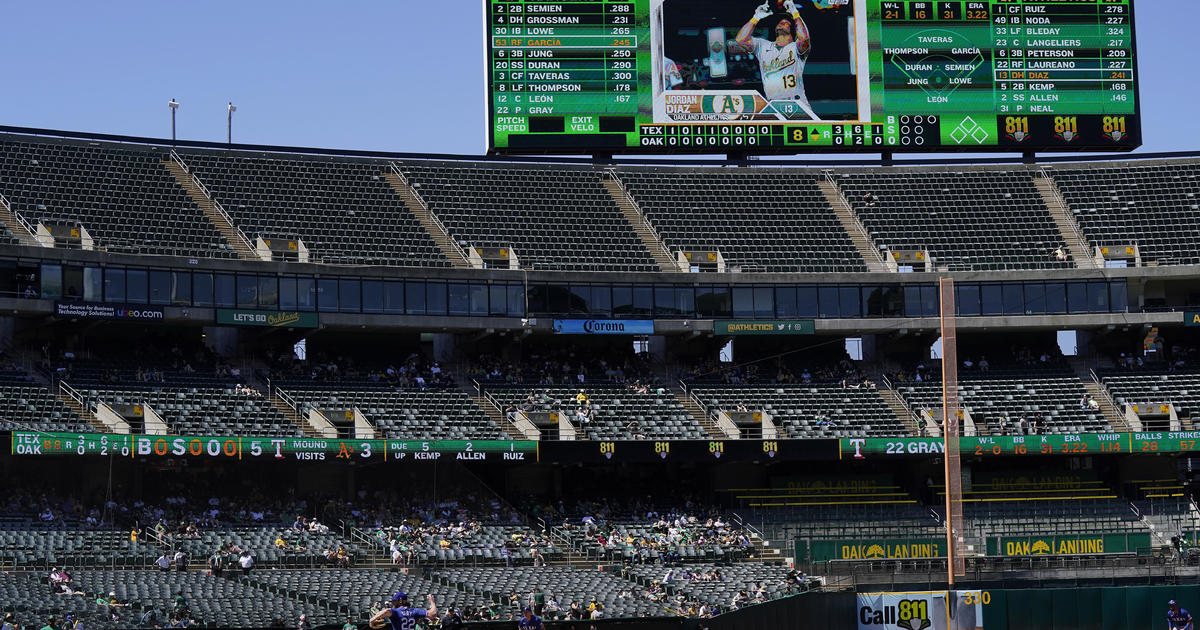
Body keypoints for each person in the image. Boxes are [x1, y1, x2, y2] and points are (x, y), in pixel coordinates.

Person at [733, 0, 819, 120]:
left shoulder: (795, 47)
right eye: (780, 22)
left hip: (798, 105)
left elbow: (804, 38)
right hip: (774, 107)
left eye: (786, 22)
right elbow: (740, 40)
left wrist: (795, 13)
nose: (782, 23)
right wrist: (755, 17)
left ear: (793, 31)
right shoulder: (763, 46)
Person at [369, 592, 437, 630]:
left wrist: (372, 619)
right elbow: (433, 614)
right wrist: (432, 601)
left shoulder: (396, 612)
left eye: (395, 601)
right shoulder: (415, 611)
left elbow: (386, 610)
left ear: (400, 601)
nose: (393, 603)